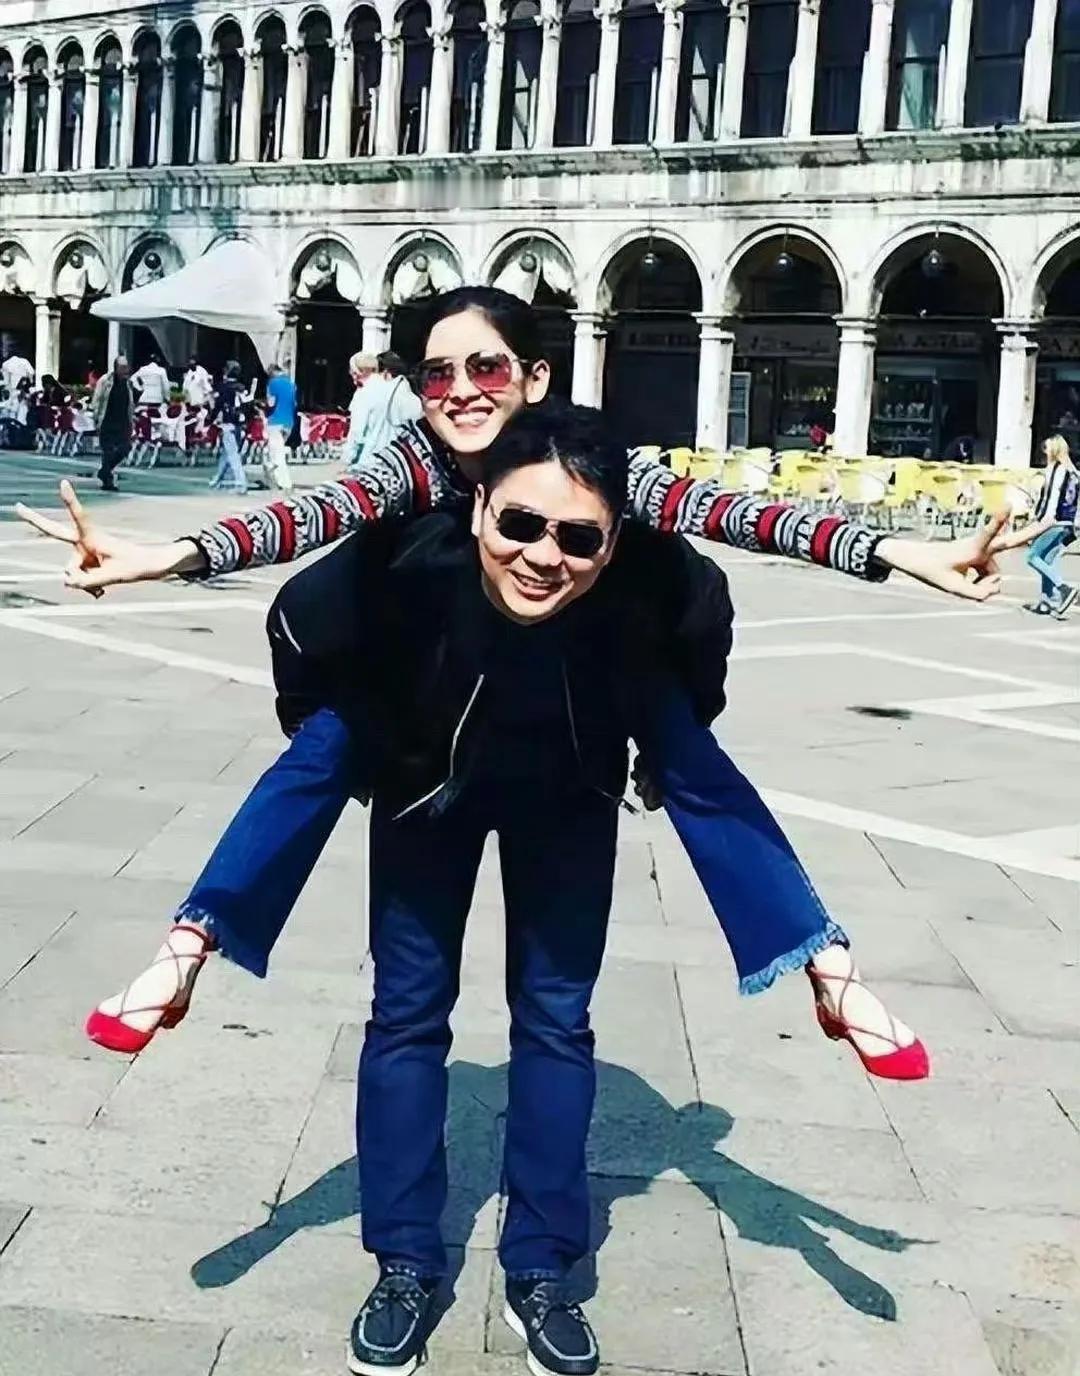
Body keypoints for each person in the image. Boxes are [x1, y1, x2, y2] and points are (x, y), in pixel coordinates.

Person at [20, 287, 1012, 1086]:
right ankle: (191, 946)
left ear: (533, 377)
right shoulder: (413, 464)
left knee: (680, 739)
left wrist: (894, 552)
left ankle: (825, 966)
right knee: (328, 742)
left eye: (486, 367)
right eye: (437, 373)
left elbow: (732, 511)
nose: (461, 390)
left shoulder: (584, 462)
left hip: (582, 698)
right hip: (428, 704)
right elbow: (317, 512)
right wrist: (175, 554)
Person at [1013, 434, 1079, 618]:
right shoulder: (1073, 473)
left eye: (1047, 449)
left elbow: (1050, 498)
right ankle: (1047, 601)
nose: (1044, 452)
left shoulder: (1055, 469)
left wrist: (1039, 520)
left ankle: (1063, 588)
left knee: (1032, 556)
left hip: (1053, 521)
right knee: (1047, 560)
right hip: (1068, 523)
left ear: (1054, 450)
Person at [346, 350, 423, 467]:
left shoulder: (363, 394)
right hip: (398, 461)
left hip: (368, 461)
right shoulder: (405, 393)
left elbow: (357, 433)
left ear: (356, 372)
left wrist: (347, 460)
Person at [90, 356, 133, 492]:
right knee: (107, 452)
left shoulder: (128, 383)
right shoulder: (105, 381)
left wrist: (131, 420)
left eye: (126, 367)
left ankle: (104, 471)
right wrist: (96, 418)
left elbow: (131, 403)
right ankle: (107, 481)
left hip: (123, 422)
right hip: (107, 421)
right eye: (122, 367)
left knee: (125, 448)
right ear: (116, 368)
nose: (125, 370)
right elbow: (97, 400)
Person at [209, 360, 248, 494]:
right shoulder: (242, 387)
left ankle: (241, 483)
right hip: (240, 424)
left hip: (228, 423)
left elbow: (218, 406)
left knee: (232, 454)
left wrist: (211, 419)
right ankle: (217, 479)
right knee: (227, 453)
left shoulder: (224, 387)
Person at [262, 363, 297, 492]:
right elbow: (294, 404)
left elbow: (271, 403)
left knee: (277, 455)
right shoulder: (292, 384)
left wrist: (263, 406)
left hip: (275, 421)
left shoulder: (273, 383)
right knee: (273, 452)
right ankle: (271, 478)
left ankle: (284, 482)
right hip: (288, 422)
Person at [345, 351, 378, 464]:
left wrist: (349, 458)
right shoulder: (389, 388)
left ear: (359, 371)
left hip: (365, 458)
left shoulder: (363, 394)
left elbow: (357, 432)